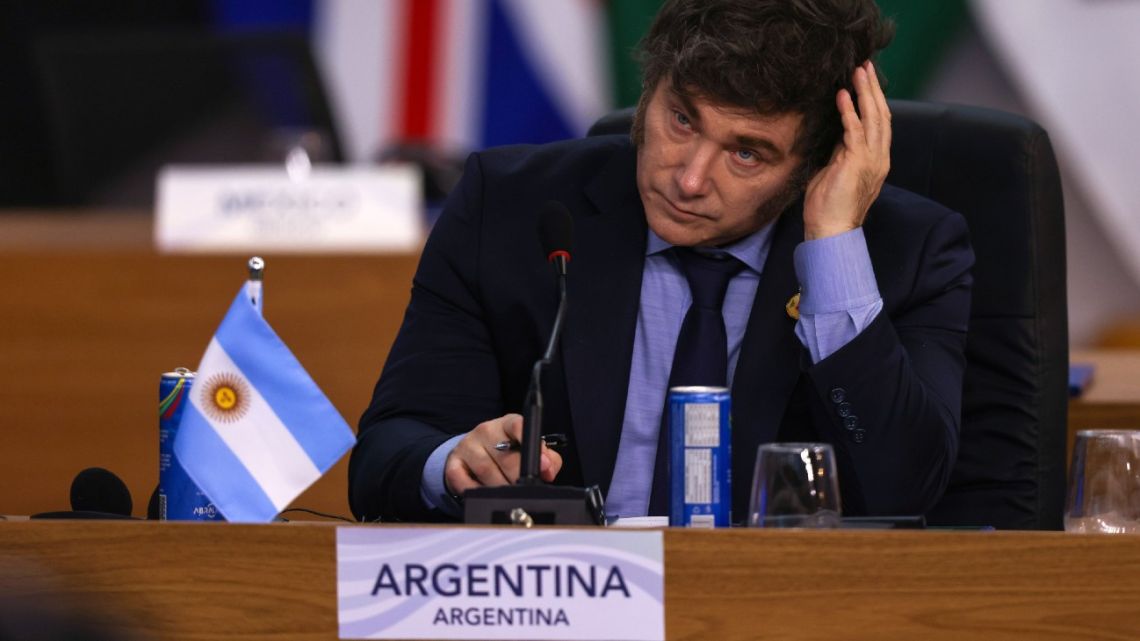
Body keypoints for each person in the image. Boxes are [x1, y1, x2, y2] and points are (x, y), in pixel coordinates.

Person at [349, 0, 974, 523]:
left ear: (814, 165)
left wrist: (833, 247)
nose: (691, 178)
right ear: (649, 91)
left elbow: (904, 492)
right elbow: (386, 454)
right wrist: (455, 462)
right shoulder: (512, 210)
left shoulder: (906, 252)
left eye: (747, 154)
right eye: (681, 119)